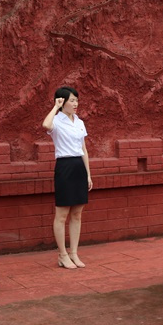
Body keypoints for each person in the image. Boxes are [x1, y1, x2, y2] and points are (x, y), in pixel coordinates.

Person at [42, 86, 93, 269]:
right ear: (62, 102)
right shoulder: (56, 121)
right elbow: (45, 125)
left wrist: (88, 174)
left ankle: (74, 253)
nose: (75, 103)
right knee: (62, 214)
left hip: (79, 167)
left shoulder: (79, 122)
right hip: (64, 167)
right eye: (72, 100)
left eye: (76, 100)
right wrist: (55, 107)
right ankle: (62, 255)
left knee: (77, 213)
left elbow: (84, 149)